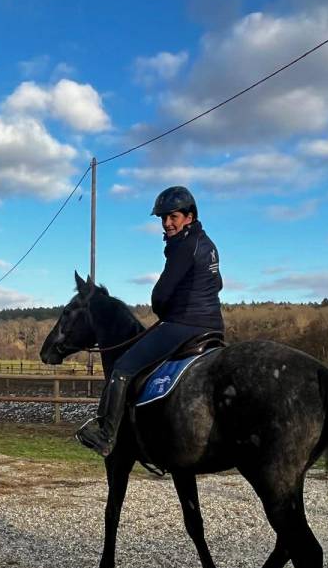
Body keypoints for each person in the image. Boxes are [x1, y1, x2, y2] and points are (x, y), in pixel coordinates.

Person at [76, 185, 223, 456]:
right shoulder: (207, 244)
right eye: (163, 218)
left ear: (189, 216)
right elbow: (218, 284)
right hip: (214, 327)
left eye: (173, 217)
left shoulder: (184, 246)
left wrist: (167, 311)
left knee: (122, 368)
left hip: (184, 326)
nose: (167, 223)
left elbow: (161, 295)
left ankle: (106, 435)